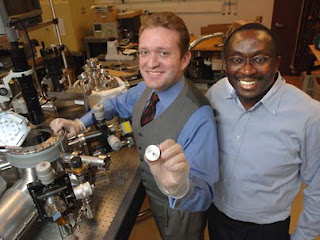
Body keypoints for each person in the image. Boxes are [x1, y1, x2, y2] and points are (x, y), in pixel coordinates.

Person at [51, 12, 219, 240]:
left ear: (185, 59)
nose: (151, 63)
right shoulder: (145, 89)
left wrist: (179, 188)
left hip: (181, 211)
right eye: (144, 52)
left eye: (164, 53)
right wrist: (80, 123)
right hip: (156, 200)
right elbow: (113, 104)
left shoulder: (199, 115)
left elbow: (205, 194)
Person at [205, 22, 320, 240]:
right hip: (217, 216)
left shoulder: (309, 115)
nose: (247, 70)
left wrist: (303, 236)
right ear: (225, 64)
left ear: (277, 63)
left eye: (260, 59)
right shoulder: (217, 94)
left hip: (266, 229)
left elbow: (318, 186)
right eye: (236, 60)